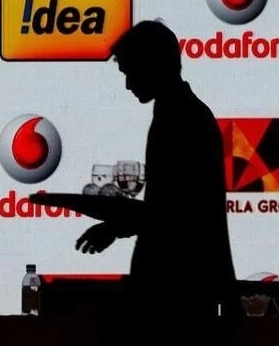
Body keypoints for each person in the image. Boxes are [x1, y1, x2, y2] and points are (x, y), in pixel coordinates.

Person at [75, 19, 238, 334]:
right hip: (186, 287)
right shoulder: (182, 113)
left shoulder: (180, 119)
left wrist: (114, 225)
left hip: (177, 291)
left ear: (152, 64)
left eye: (130, 72)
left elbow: (176, 212)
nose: (127, 84)